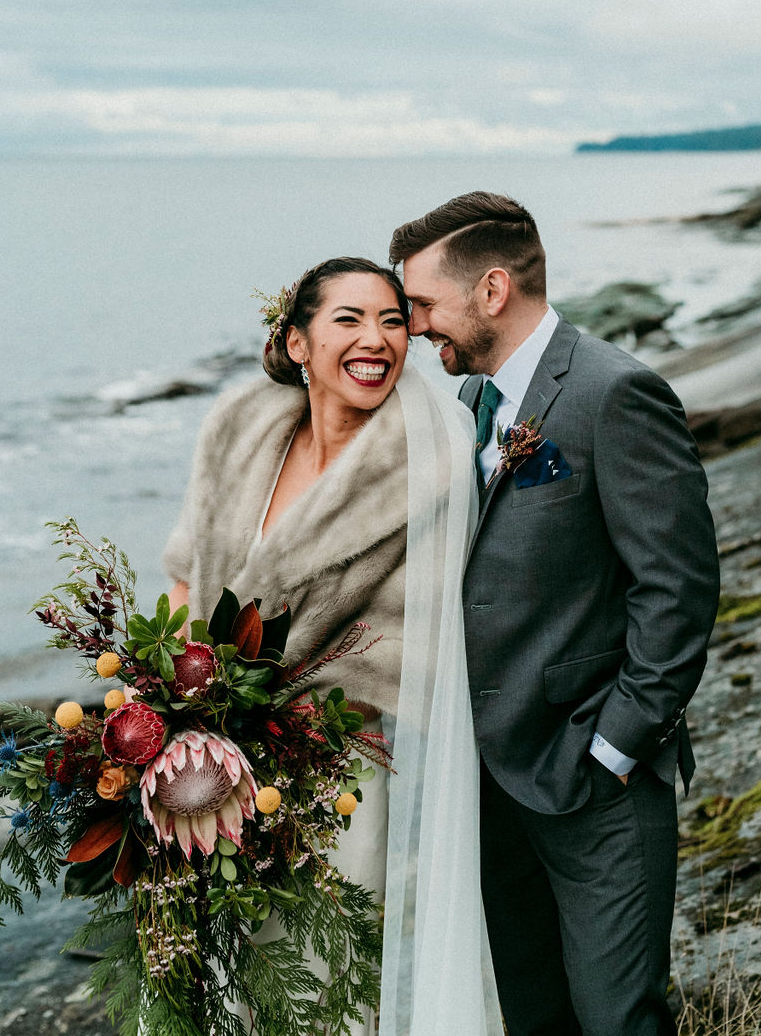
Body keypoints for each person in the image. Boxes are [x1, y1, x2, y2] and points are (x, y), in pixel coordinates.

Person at [390, 195, 720, 1036]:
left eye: (424, 303)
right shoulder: (473, 406)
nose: (414, 325)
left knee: (617, 1019)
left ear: (492, 289)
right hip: (491, 783)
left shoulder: (614, 394)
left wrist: (613, 745)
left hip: (593, 778)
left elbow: (676, 588)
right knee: (536, 1014)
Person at [161, 257, 502, 1036]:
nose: (375, 339)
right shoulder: (240, 430)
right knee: (216, 980)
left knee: (323, 990)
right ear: (297, 342)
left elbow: (422, 636)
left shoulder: (429, 465)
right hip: (203, 766)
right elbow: (184, 582)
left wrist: (277, 717)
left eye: (391, 320)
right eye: (348, 319)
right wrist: (168, 713)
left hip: (333, 774)